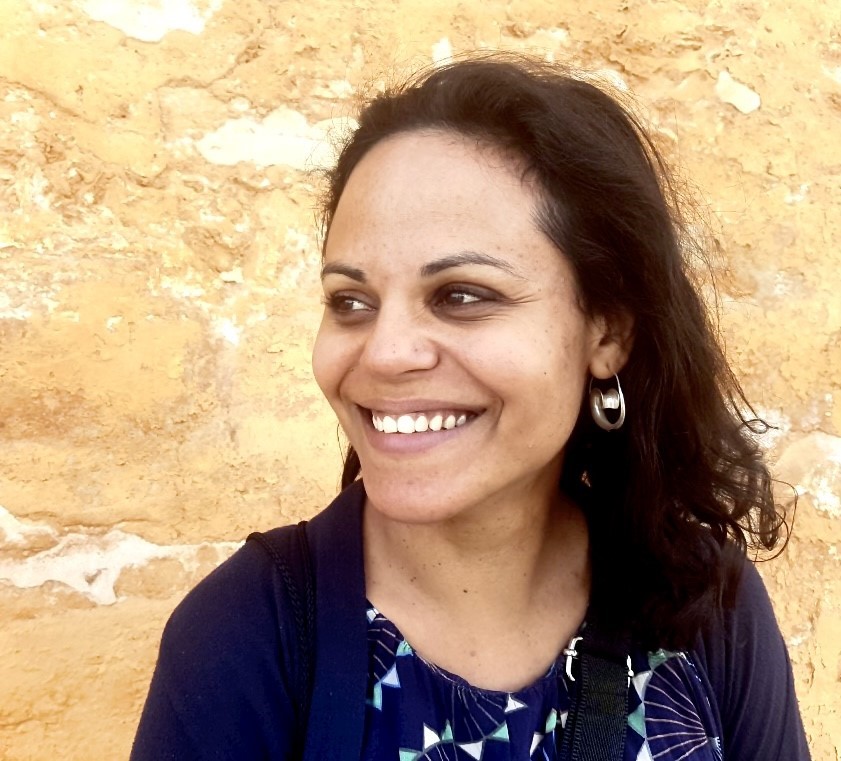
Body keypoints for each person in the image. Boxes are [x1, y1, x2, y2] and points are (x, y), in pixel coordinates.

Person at [131, 54, 811, 760]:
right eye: (350, 302)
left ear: (605, 333)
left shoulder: (703, 606)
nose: (386, 352)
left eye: (460, 295)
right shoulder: (248, 634)